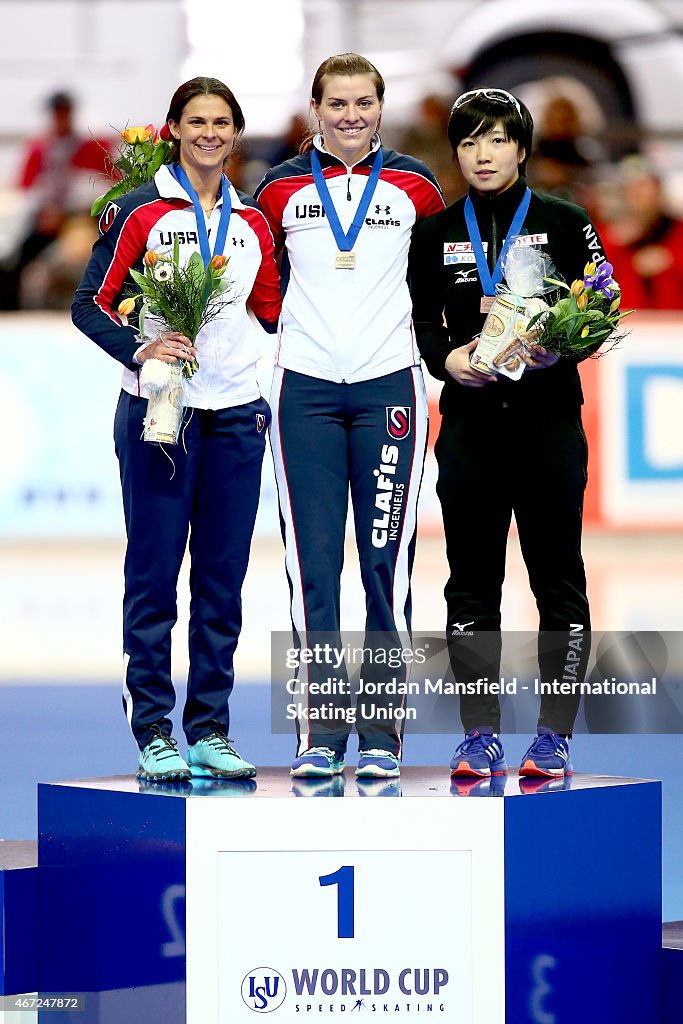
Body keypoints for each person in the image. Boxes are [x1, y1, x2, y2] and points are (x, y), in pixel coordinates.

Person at [72, 77, 281, 783]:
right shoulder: (139, 211)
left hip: (236, 415)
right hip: (160, 414)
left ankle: (210, 730)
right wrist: (142, 346)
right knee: (155, 577)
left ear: (236, 134)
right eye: (197, 121)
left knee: (222, 583)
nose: (209, 133)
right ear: (173, 129)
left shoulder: (251, 224)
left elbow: (275, 310)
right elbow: (88, 303)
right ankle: (154, 730)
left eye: (222, 122)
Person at [254, 53, 444, 780]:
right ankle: (320, 733)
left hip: (387, 392)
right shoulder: (275, 191)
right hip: (302, 392)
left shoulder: (415, 188)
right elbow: (262, 289)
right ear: (315, 107)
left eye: (363, 102)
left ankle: (383, 735)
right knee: (313, 571)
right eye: (337, 103)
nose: (350, 115)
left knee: (383, 568)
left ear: (380, 106)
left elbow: (434, 282)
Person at [409, 88, 607, 779]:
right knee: (469, 587)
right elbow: (423, 322)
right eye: (467, 142)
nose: (481, 154)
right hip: (469, 430)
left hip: (547, 425)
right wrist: (447, 359)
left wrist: (564, 349)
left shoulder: (564, 220)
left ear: (521, 147)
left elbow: (600, 304)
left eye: (495, 139)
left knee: (557, 583)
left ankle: (554, 736)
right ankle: (478, 733)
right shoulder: (434, 231)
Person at [0, 91, 112, 310]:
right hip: (49, 215)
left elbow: (108, 184)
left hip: (84, 214)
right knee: (19, 257)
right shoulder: (40, 147)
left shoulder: (91, 145)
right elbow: (26, 188)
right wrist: (47, 211)